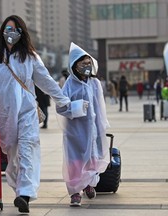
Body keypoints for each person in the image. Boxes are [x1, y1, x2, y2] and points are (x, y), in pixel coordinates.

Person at [0, 15, 71, 213]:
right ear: (2, 32)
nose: (11, 33)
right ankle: (20, 189)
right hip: (4, 114)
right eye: (8, 29)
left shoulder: (30, 57)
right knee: (12, 156)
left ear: (22, 33)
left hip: (27, 111)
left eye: (15, 30)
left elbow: (45, 80)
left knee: (28, 150)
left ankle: (25, 194)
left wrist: (62, 100)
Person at [56, 42, 110, 207]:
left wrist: (102, 125)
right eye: (83, 63)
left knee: (92, 160)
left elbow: (100, 106)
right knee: (75, 163)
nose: (87, 66)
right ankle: (74, 193)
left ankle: (87, 185)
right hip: (75, 132)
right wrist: (76, 107)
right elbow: (61, 107)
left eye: (88, 63)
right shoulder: (69, 84)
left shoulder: (94, 83)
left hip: (92, 130)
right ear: (74, 65)